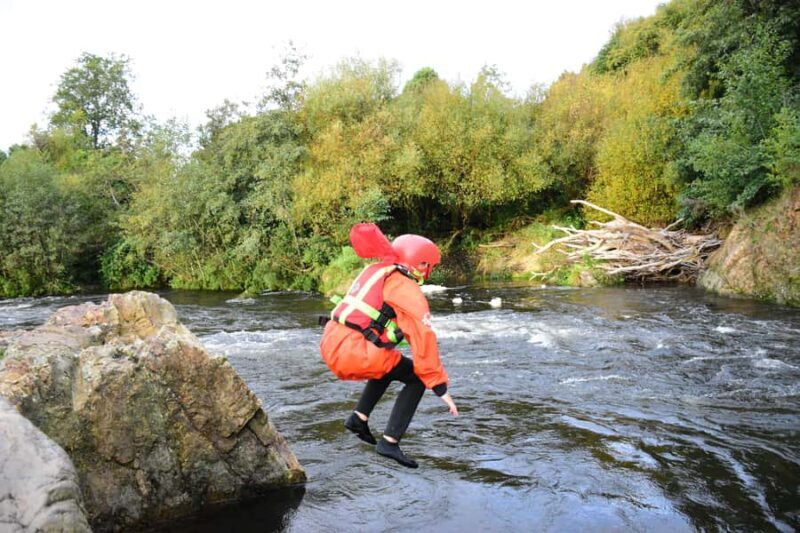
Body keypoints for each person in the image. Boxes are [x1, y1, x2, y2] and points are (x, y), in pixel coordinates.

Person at [319, 224, 458, 468]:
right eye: (427, 265)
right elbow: (422, 337)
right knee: (416, 377)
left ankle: (358, 418)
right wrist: (439, 386)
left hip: (332, 343)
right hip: (354, 351)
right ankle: (390, 442)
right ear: (419, 263)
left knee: (388, 360)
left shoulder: (378, 269)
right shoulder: (404, 286)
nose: (428, 270)